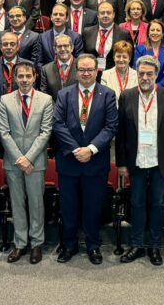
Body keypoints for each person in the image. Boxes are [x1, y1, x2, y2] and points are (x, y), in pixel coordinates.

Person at [115, 55, 164, 266]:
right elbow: (121, 132)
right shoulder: (126, 96)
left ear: (156, 75)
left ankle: (154, 246)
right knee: (136, 203)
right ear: (137, 73)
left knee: (159, 203)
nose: (145, 77)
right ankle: (136, 245)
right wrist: (121, 163)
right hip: (135, 160)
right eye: (141, 73)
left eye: (149, 74)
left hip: (160, 160)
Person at [53, 54, 118, 265]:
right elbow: (58, 125)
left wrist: (90, 149)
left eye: (90, 69)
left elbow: (111, 126)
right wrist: (75, 149)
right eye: (82, 70)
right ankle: (69, 245)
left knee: (93, 207)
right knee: (69, 206)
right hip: (69, 162)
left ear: (96, 71)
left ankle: (93, 245)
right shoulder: (64, 94)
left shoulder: (107, 94)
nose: (86, 73)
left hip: (95, 162)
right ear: (76, 71)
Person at [0, 62, 53, 265]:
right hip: (13, 162)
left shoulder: (46, 100)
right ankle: (20, 243)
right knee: (17, 203)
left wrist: (28, 158)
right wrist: (19, 159)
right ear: (14, 78)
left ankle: (37, 243)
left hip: (35, 162)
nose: (24, 80)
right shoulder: (5, 100)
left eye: (28, 76)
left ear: (35, 77)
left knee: (36, 204)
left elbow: (46, 132)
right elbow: (3, 132)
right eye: (20, 76)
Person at [133, 20, 164, 88]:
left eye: (158, 30)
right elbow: (136, 69)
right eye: (152, 30)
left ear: (162, 34)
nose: (155, 32)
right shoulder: (140, 49)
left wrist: (158, 86)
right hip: (144, 86)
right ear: (148, 33)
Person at [39, 34, 78, 102]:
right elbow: (44, 93)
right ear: (55, 49)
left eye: (66, 46)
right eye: (59, 46)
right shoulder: (45, 69)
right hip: (53, 109)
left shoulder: (80, 66)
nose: (62, 49)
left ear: (72, 48)